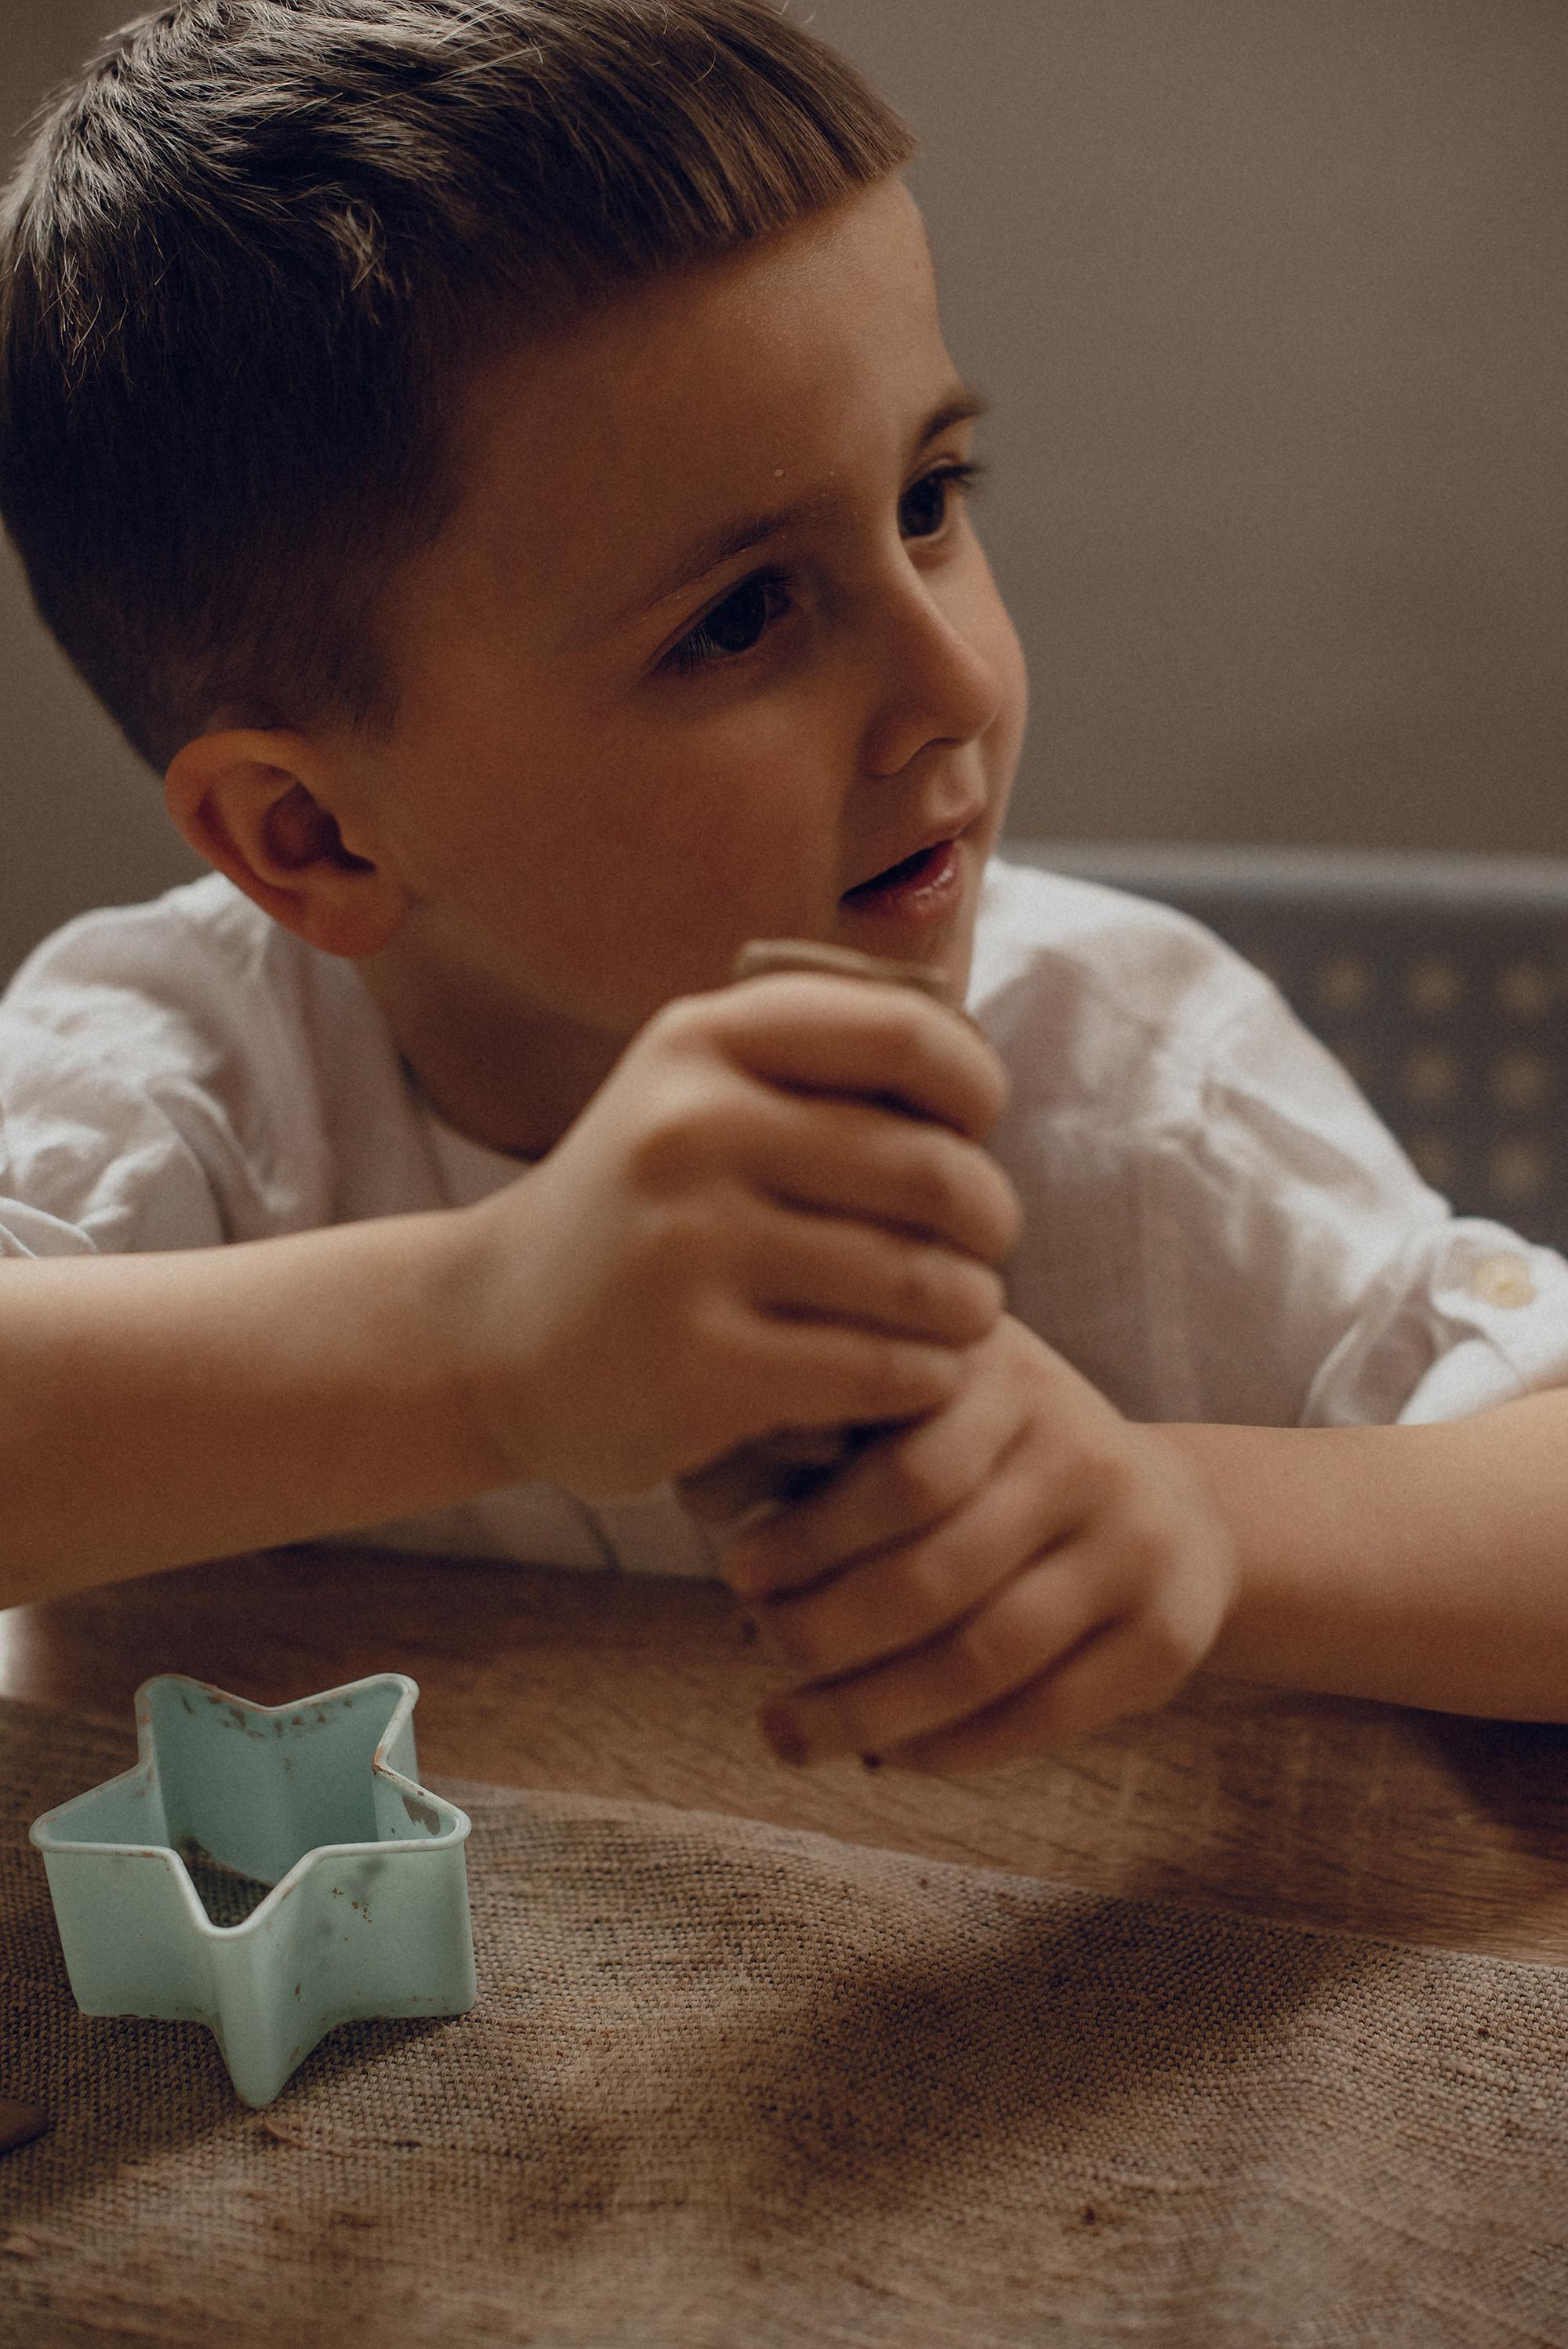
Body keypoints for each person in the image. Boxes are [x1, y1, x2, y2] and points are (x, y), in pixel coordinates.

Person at [0, 0, 1564, 1774]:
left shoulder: (1131, 1095)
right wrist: (480, 1345)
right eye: (740, 617)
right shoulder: (183, 1084)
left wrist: (1200, 1518)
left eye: (930, 499)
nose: (954, 683)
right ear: (313, 839)